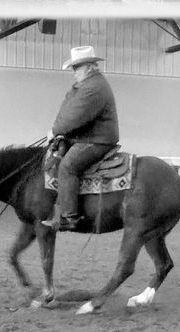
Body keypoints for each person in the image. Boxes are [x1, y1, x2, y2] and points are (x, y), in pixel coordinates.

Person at [42, 46, 120, 231]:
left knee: (68, 166)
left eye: (76, 67)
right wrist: (59, 130)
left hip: (97, 139)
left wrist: (55, 131)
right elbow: (69, 109)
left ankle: (68, 217)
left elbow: (74, 115)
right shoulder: (88, 85)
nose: (73, 72)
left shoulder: (93, 88)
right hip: (89, 136)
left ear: (89, 67)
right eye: (73, 67)